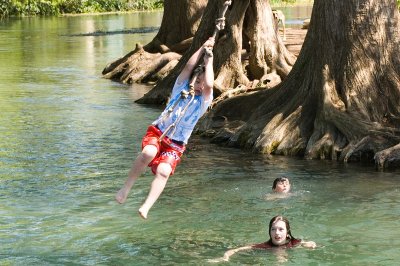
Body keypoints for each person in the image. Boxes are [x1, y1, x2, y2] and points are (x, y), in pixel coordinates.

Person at [115, 37, 215, 219]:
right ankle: (125, 188)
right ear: (191, 81)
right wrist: (201, 48)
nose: (199, 86)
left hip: (176, 144)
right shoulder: (180, 88)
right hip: (159, 132)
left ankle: (146, 206)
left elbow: (209, 85)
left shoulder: (203, 102)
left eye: (202, 82)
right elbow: (187, 67)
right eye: (196, 81)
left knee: (164, 171)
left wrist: (209, 62)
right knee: (148, 153)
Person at [217, 215, 316, 262]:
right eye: (273, 229)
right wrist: (225, 257)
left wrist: (310, 244)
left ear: (287, 232)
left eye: (281, 229)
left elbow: (308, 243)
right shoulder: (265, 246)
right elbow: (236, 250)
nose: (276, 233)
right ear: (269, 231)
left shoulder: (295, 243)